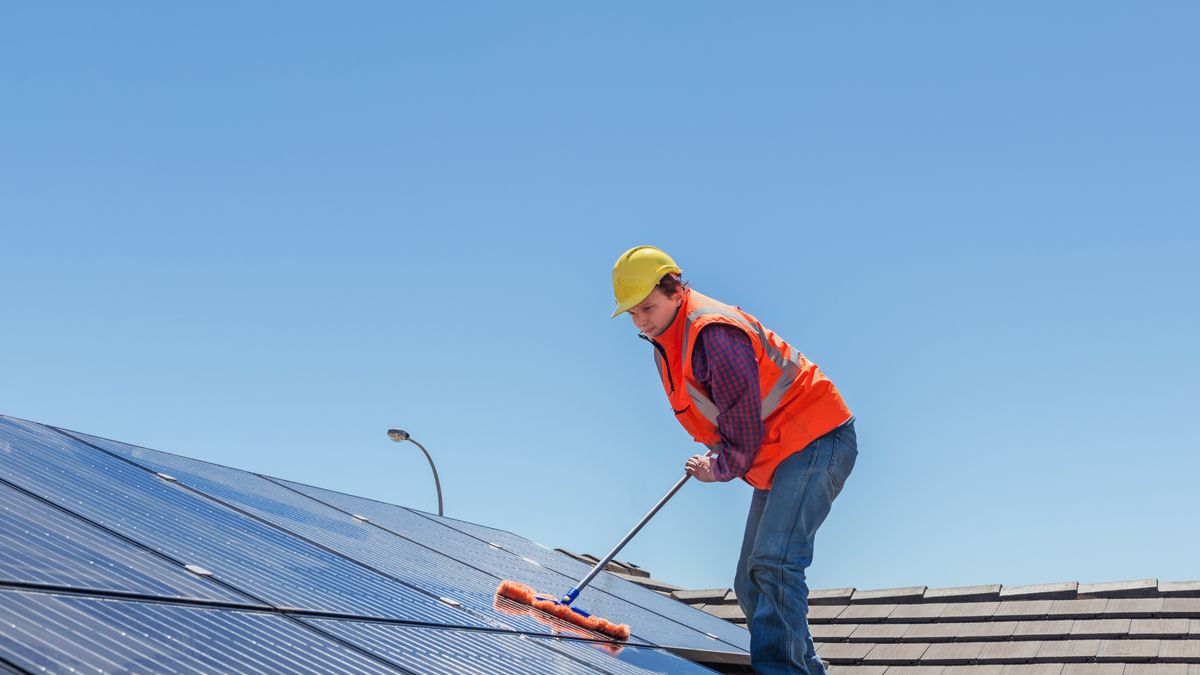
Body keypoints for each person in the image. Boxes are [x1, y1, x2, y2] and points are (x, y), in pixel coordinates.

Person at [610, 245, 858, 674]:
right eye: (632, 314)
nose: (641, 321)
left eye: (647, 307)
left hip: (816, 439)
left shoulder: (712, 333)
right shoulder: (668, 341)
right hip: (782, 451)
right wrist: (720, 450)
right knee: (750, 580)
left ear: (674, 291)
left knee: (775, 563)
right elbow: (724, 411)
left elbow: (743, 424)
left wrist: (719, 468)